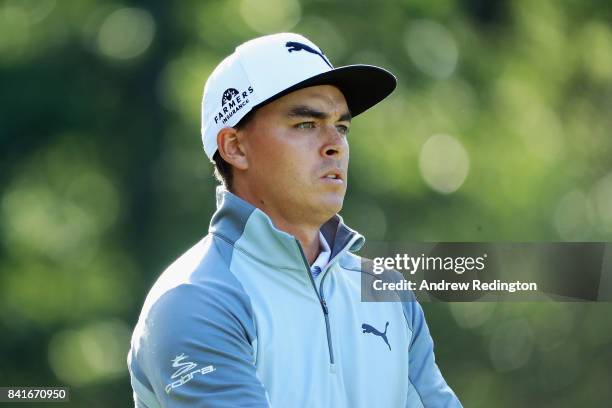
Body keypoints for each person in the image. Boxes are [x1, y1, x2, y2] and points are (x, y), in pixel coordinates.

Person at [127, 32, 462, 407]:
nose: (335, 143)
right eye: (306, 124)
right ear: (235, 147)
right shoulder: (196, 299)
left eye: (342, 126)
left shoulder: (386, 292)